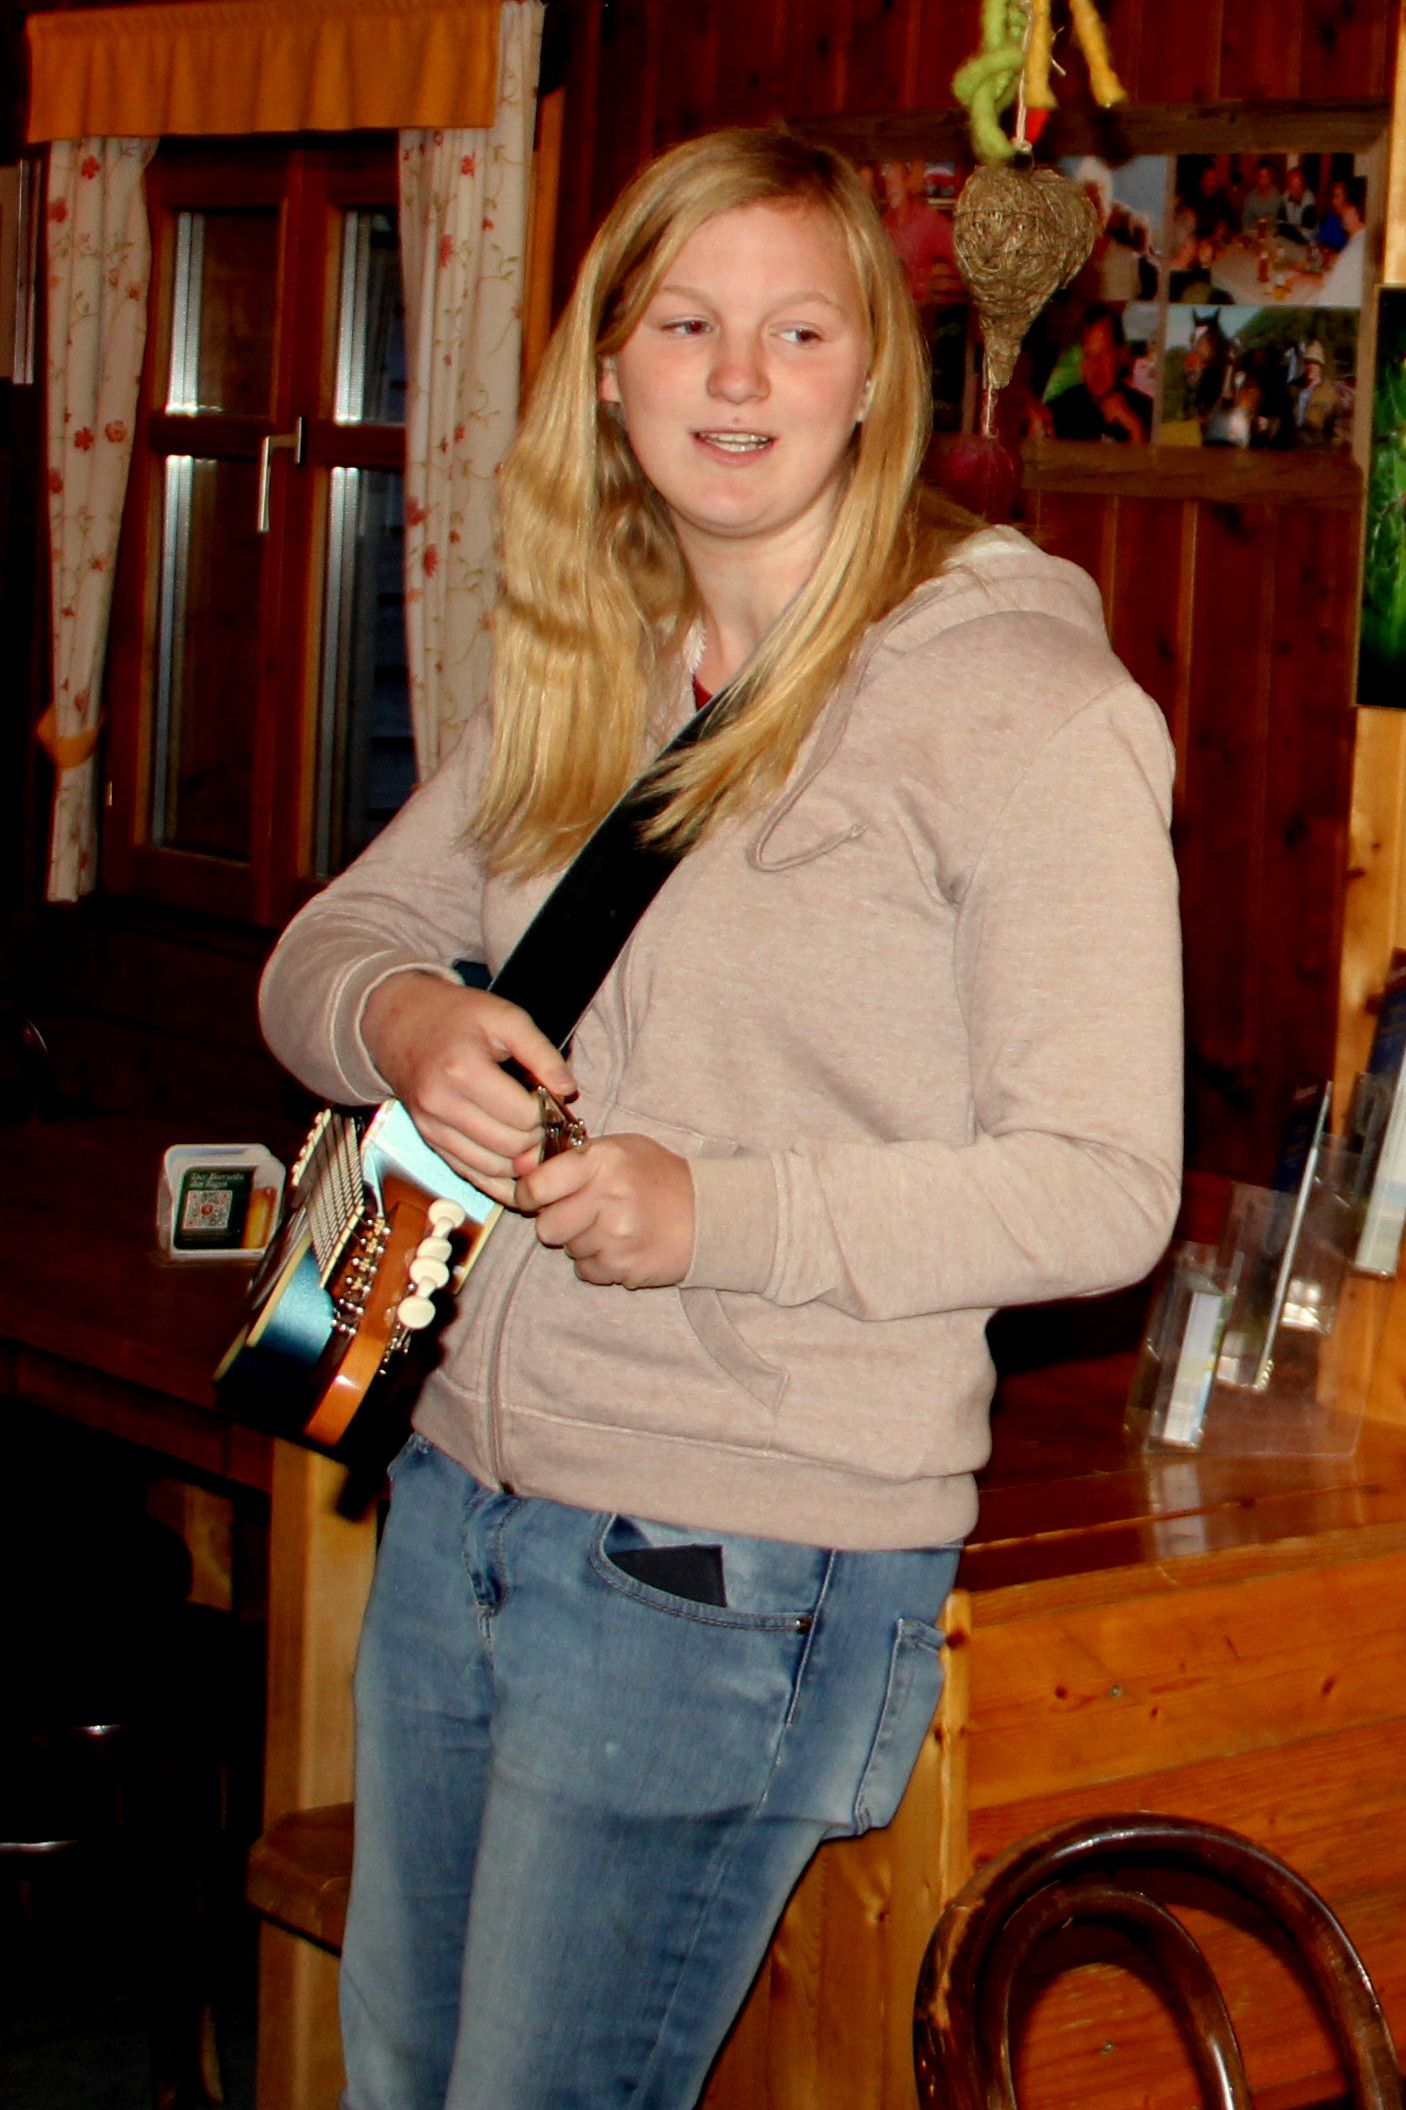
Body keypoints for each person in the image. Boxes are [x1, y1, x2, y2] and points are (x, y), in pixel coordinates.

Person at [259, 126, 1182, 2110]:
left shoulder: (1023, 704)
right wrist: (408, 1017)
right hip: (461, 1492)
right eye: (685, 324)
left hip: (730, 1556)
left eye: (798, 329)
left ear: (873, 377)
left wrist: (713, 1212)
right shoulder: (594, 653)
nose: (738, 377)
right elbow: (328, 947)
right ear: (608, 367)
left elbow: (1104, 1187)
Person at [1047, 302, 1153, 441]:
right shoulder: (1060, 411)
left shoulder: (1147, 411)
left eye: (1104, 353)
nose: (1096, 365)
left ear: (1121, 355)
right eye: (1089, 355)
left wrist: (1134, 427)